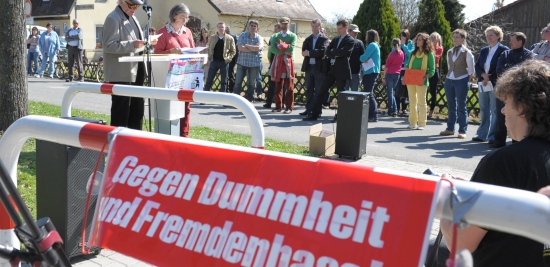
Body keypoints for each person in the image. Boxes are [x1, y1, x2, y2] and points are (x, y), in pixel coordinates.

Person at [440, 60, 550, 267]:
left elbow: (460, 244)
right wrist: (479, 189)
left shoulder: (503, 163)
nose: (502, 111)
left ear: (523, 108)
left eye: (506, 103)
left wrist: (448, 203)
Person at [103, 0, 147, 130]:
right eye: (132, 5)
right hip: (121, 73)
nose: (135, 8)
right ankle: (118, 144)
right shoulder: (113, 18)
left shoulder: (133, 18)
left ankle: (135, 142)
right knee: (121, 112)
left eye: (137, 6)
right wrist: (132, 44)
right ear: (121, 1)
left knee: (137, 109)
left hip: (136, 69)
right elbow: (108, 45)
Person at [154, 3, 195, 137]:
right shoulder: (163, 32)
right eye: (182, 16)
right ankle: (170, 135)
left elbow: (193, 50)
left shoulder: (187, 32)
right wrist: (171, 51)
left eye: (187, 17)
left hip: (186, 74)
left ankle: (184, 136)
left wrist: (195, 57)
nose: (185, 20)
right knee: (172, 106)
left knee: (186, 106)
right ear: (174, 16)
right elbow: (156, 53)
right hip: (169, 76)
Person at [303, 19, 354, 121]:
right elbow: (327, 51)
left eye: (340, 28)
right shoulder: (335, 39)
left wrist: (334, 52)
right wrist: (335, 52)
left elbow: (345, 53)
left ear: (346, 28)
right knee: (322, 90)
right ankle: (315, 113)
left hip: (342, 70)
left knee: (341, 93)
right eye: (337, 28)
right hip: (332, 69)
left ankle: (340, 115)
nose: (338, 30)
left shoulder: (350, 40)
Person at [493, 32, 535, 148]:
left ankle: (517, 142)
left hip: (520, 90)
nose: (510, 42)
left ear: (520, 42)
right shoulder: (505, 54)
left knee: (517, 115)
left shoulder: (529, 55)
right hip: (504, 89)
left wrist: (510, 67)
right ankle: (499, 141)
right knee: (500, 115)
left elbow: (525, 71)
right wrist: (515, 67)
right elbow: (500, 69)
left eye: (513, 40)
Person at [472, 26, 508, 143]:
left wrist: (489, 76)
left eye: (491, 35)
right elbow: (477, 66)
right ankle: (482, 134)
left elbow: (503, 67)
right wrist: (483, 75)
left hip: (495, 83)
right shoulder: (484, 50)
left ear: (498, 36)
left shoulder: (504, 50)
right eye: (487, 35)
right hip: (483, 82)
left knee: (495, 110)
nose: (489, 37)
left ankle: (492, 136)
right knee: (483, 108)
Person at [440, 29, 475, 139]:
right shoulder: (449, 51)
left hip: (461, 79)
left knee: (461, 105)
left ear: (463, 39)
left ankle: (462, 130)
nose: (454, 39)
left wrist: (467, 81)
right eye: (454, 37)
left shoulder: (467, 53)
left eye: (457, 37)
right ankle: (450, 128)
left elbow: (471, 71)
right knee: (451, 105)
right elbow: (450, 66)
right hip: (449, 79)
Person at [404, 32, 435, 130]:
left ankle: (422, 123)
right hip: (411, 81)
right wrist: (405, 78)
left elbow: (432, 70)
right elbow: (408, 66)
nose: (418, 41)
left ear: (425, 42)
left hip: (422, 81)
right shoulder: (413, 53)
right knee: (412, 102)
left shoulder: (429, 54)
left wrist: (424, 77)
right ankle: (412, 123)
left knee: (422, 102)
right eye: (417, 39)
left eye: (420, 39)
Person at [299, 19, 328, 116]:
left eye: (316, 26)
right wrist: (313, 52)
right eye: (313, 26)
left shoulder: (324, 39)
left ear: (320, 27)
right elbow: (303, 52)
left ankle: (317, 111)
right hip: (309, 67)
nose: (314, 28)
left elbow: (322, 52)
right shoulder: (308, 39)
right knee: (309, 89)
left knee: (318, 90)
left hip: (319, 68)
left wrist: (310, 52)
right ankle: (309, 109)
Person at [269, 17, 297, 114]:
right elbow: (272, 49)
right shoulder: (276, 36)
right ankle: (278, 106)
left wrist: (282, 47)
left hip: (288, 63)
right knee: (278, 85)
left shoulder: (293, 36)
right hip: (278, 62)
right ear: (280, 24)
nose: (284, 25)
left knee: (289, 86)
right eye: (282, 24)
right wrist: (285, 48)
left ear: (289, 24)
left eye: (286, 23)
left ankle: (289, 107)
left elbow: (292, 48)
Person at [233, 20, 263, 102]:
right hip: (242, 63)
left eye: (255, 26)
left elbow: (258, 48)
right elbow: (239, 48)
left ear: (257, 28)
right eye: (251, 25)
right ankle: (235, 100)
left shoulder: (259, 37)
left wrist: (246, 45)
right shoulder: (243, 35)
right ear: (248, 27)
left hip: (253, 64)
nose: (253, 27)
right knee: (237, 82)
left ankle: (250, 99)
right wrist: (253, 48)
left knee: (251, 84)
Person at [203, 22, 236, 93]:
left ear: (225, 28)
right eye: (219, 27)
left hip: (224, 62)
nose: (221, 29)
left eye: (222, 27)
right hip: (214, 61)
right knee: (209, 80)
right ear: (217, 28)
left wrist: (228, 59)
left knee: (224, 81)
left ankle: (223, 98)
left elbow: (233, 51)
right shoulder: (212, 37)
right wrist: (209, 58)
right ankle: (204, 97)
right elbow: (208, 48)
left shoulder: (230, 38)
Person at [359, 29, 381, 122]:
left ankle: (374, 114)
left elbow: (363, 57)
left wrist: (362, 58)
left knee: (369, 93)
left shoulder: (372, 45)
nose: (366, 37)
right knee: (368, 92)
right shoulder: (375, 45)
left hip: (371, 71)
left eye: (367, 35)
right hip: (371, 71)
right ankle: (371, 114)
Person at [382, 38, 404, 117]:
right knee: (392, 93)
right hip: (397, 74)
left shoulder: (392, 54)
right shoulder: (402, 53)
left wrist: (383, 77)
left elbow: (386, 67)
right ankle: (395, 110)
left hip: (390, 74)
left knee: (390, 93)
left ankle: (391, 110)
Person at [397, 29, 415, 115]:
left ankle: (404, 108)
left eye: (404, 36)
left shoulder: (411, 44)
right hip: (398, 68)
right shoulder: (398, 43)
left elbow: (410, 54)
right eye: (401, 35)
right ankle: (396, 107)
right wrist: (399, 46)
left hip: (407, 69)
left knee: (405, 89)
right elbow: (393, 52)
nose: (402, 37)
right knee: (397, 88)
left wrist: (404, 46)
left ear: (407, 36)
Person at [263, 23, 281, 109]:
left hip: (281, 62)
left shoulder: (284, 37)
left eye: (276, 27)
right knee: (271, 83)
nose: (274, 29)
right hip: (273, 61)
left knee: (281, 84)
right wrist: (270, 59)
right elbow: (270, 50)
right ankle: (269, 102)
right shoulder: (272, 37)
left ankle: (280, 103)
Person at [344, 24, 365, 92]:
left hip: (355, 72)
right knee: (344, 93)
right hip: (345, 71)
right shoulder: (343, 41)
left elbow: (363, 56)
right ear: (349, 31)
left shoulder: (359, 43)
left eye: (357, 32)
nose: (356, 34)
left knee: (354, 93)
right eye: (354, 32)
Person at [428, 32, 444, 118]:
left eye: (434, 38)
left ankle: (432, 109)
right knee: (425, 90)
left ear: (438, 39)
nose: (432, 39)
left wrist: (432, 48)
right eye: (431, 37)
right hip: (426, 70)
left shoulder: (439, 48)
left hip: (434, 71)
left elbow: (435, 57)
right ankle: (424, 108)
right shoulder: (427, 48)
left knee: (433, 92)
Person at [225, 25, 238, 93]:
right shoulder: (221, 37)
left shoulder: (234, 37)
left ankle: (231, 89)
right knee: (224, 74)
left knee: (230, 74)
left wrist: (236, 59)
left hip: (231, 59)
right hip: (223, 59)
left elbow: (236, 49)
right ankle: (225, 89)